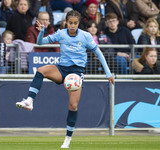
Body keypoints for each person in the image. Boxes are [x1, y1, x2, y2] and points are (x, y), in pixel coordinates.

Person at [16, 10, 114, 148]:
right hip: (62, 69)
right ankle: (29, 101)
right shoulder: (61, 33)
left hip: (77, 72)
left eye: (75, 23)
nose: (73, 25)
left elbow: (99, 53)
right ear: (66, 22)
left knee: (73, 105)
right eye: (70, 23)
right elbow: (40, 43)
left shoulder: (85, 36)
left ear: (78, 23)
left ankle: (67, 138)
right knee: (41, 70)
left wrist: (108, 73)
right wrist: (42, 32)